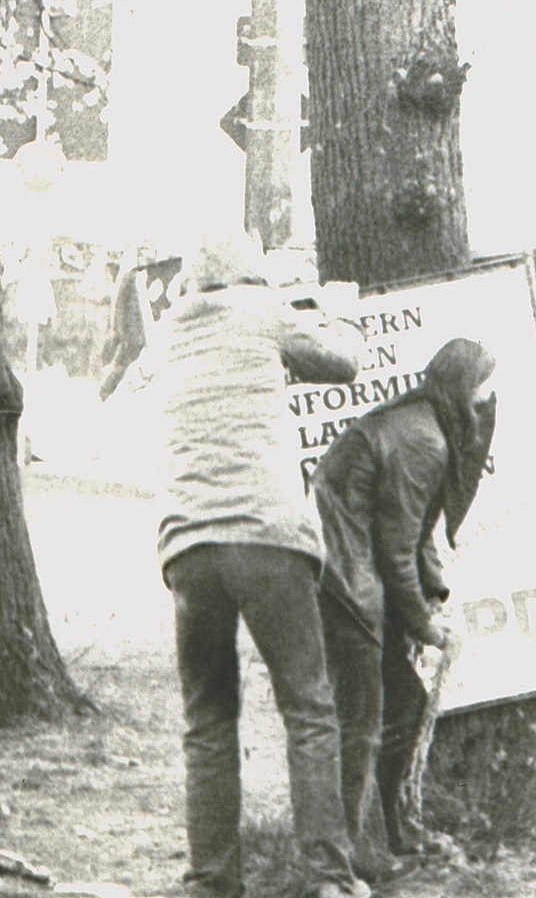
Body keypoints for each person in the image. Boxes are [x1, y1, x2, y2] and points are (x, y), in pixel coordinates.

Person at [149, 231, 370, 898]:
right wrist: (341, 309)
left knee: (208, 719)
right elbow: (346, 362)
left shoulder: (166, 332)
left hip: (188, 542)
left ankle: (211, 880)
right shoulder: (265, 313)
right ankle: (329, 875)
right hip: (269, 537)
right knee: (308, 705)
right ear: (250, 277)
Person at [313, 338, 497, 874]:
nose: (488, 402)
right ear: (462, 390)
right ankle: (354, 853)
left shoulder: (423, 424)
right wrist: (426, 625)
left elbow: (414, 536)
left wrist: (433, 600)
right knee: (367, 717)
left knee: (401, 704)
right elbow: (397, 551)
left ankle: (392, 829)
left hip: (352, 565)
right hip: (345, 577)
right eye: (483, 389)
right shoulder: (425, 441)